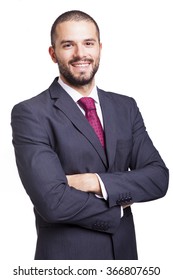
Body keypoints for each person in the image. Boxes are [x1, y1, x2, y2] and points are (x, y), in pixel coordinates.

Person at [11, 10, 169, 260]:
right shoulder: (30, 113)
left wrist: (95, 182)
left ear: (99, 48)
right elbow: (52, 202)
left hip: (125, 261)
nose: (80, 54)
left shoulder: (125, 107)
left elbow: (158, 178)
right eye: (67, 45)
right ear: (53, 54)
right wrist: (116, 209)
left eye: (88, 43)